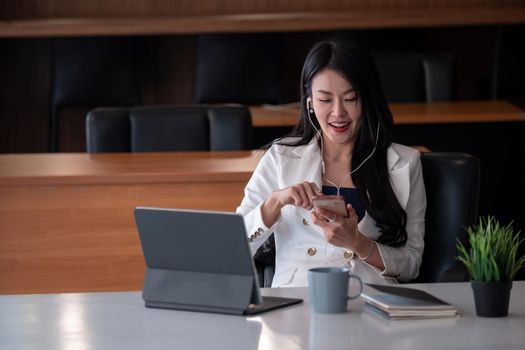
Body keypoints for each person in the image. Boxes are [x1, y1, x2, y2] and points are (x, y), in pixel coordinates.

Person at [236, 39, 426, 287]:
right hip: (296, 304)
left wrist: (357, 242)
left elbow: (411, 264)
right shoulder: (280, 158)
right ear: (310, 102)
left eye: (350, 99)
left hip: (370, 303)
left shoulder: (405, 163)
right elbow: (235, 247)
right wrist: (275, 202)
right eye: (325, 100)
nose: (338, 113)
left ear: (368, 99)